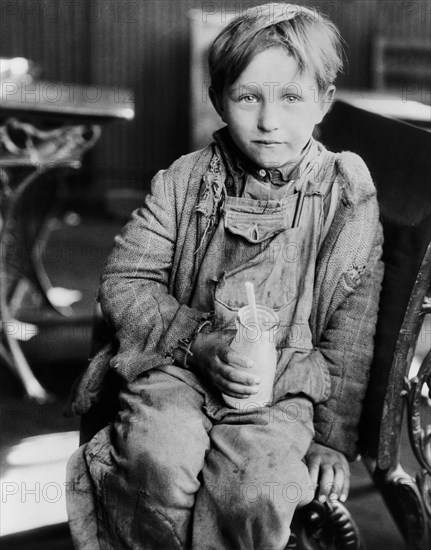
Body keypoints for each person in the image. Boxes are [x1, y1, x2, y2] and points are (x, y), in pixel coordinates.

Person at [66, 3, 384, 549]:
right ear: (218, 99)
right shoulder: (184, 182)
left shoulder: (345, 197)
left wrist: (332, 438)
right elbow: (125, 280)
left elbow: (351, 329)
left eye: (291, 97)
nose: (268, 120)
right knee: (154, 459)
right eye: (247, 97)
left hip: (283, 387)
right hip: (177, 368)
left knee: (256, 490)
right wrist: (196, 340)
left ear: (324, 102)